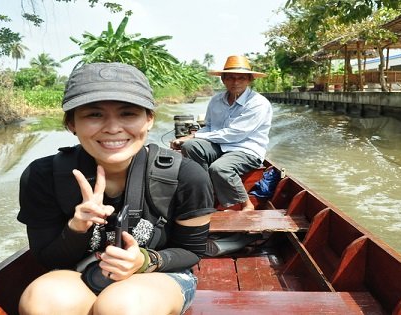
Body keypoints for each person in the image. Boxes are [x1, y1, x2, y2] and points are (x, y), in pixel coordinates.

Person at [17, 62, 215, 315]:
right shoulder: (43, 176)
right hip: (76, 273)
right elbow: (48, 257)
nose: (112, 128)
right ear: (71, 123)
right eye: (94, 115)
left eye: (128, 114)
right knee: (44, 302)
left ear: (149, 119)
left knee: (123, 307)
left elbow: (192, 251)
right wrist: (77, 227)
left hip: (158, 276)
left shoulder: (187, 175)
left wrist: (145, 260)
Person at [171, 55, 272, 211]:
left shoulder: (258, 103)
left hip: (246, 149)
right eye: (230, 77)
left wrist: (193, 135)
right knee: (191, 146)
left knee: (219, 168)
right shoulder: (216, 100)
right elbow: (209, 127)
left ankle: (245, 204)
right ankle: (205, 194)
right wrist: (187, 140)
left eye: (241, 78)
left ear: (249, 80)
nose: (235, 82)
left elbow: (236, 134)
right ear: (223, 79)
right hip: (219, 145)